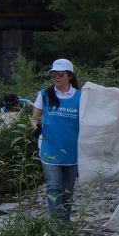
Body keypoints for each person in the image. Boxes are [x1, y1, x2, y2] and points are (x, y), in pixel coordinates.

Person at [31, 58, 82, 221]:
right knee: (53, 188)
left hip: (72, 152)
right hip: (49, 150)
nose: (56, 77)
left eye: (60, 74)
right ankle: (57, 226)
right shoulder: (44, 94)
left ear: (70, 76)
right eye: (53, 74)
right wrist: (36, 128)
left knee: (67, 191)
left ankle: (64, 223)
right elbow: (35, 117)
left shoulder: (81, 97)